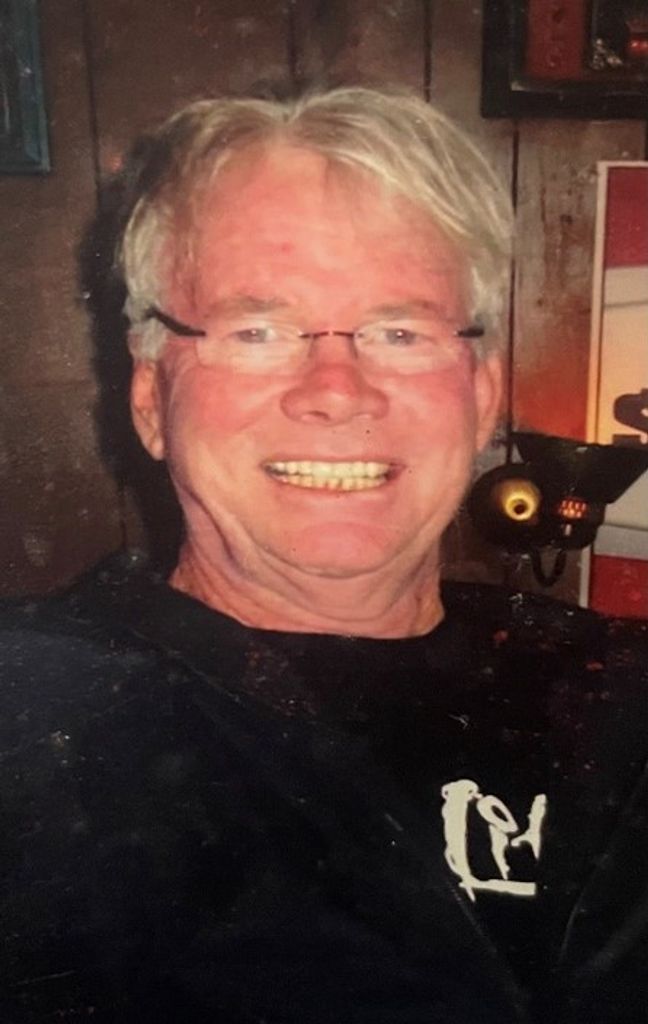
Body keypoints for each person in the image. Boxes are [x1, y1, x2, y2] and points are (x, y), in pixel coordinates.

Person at [1, 86, 647, 1024]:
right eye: (258, 331)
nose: (338, 390)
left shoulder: (618, 691)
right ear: (150, 400)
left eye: (400, 331)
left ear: (481, 398)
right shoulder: (33, 719)